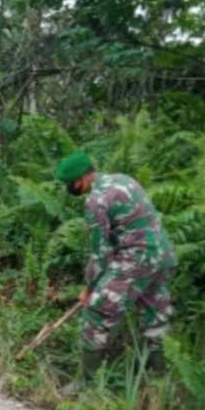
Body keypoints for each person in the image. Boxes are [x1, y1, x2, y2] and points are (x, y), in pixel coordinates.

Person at [54, 151, 177, 391]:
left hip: (137, 259)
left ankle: (84, 384)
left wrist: (90, 288)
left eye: (69, 184)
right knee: (155, 314)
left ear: (79, 180)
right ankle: (158, 381)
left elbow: (100, 254)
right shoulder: (124, 179)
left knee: (96, 312)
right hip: (163, 256)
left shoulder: (96, 200)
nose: (70, 188)